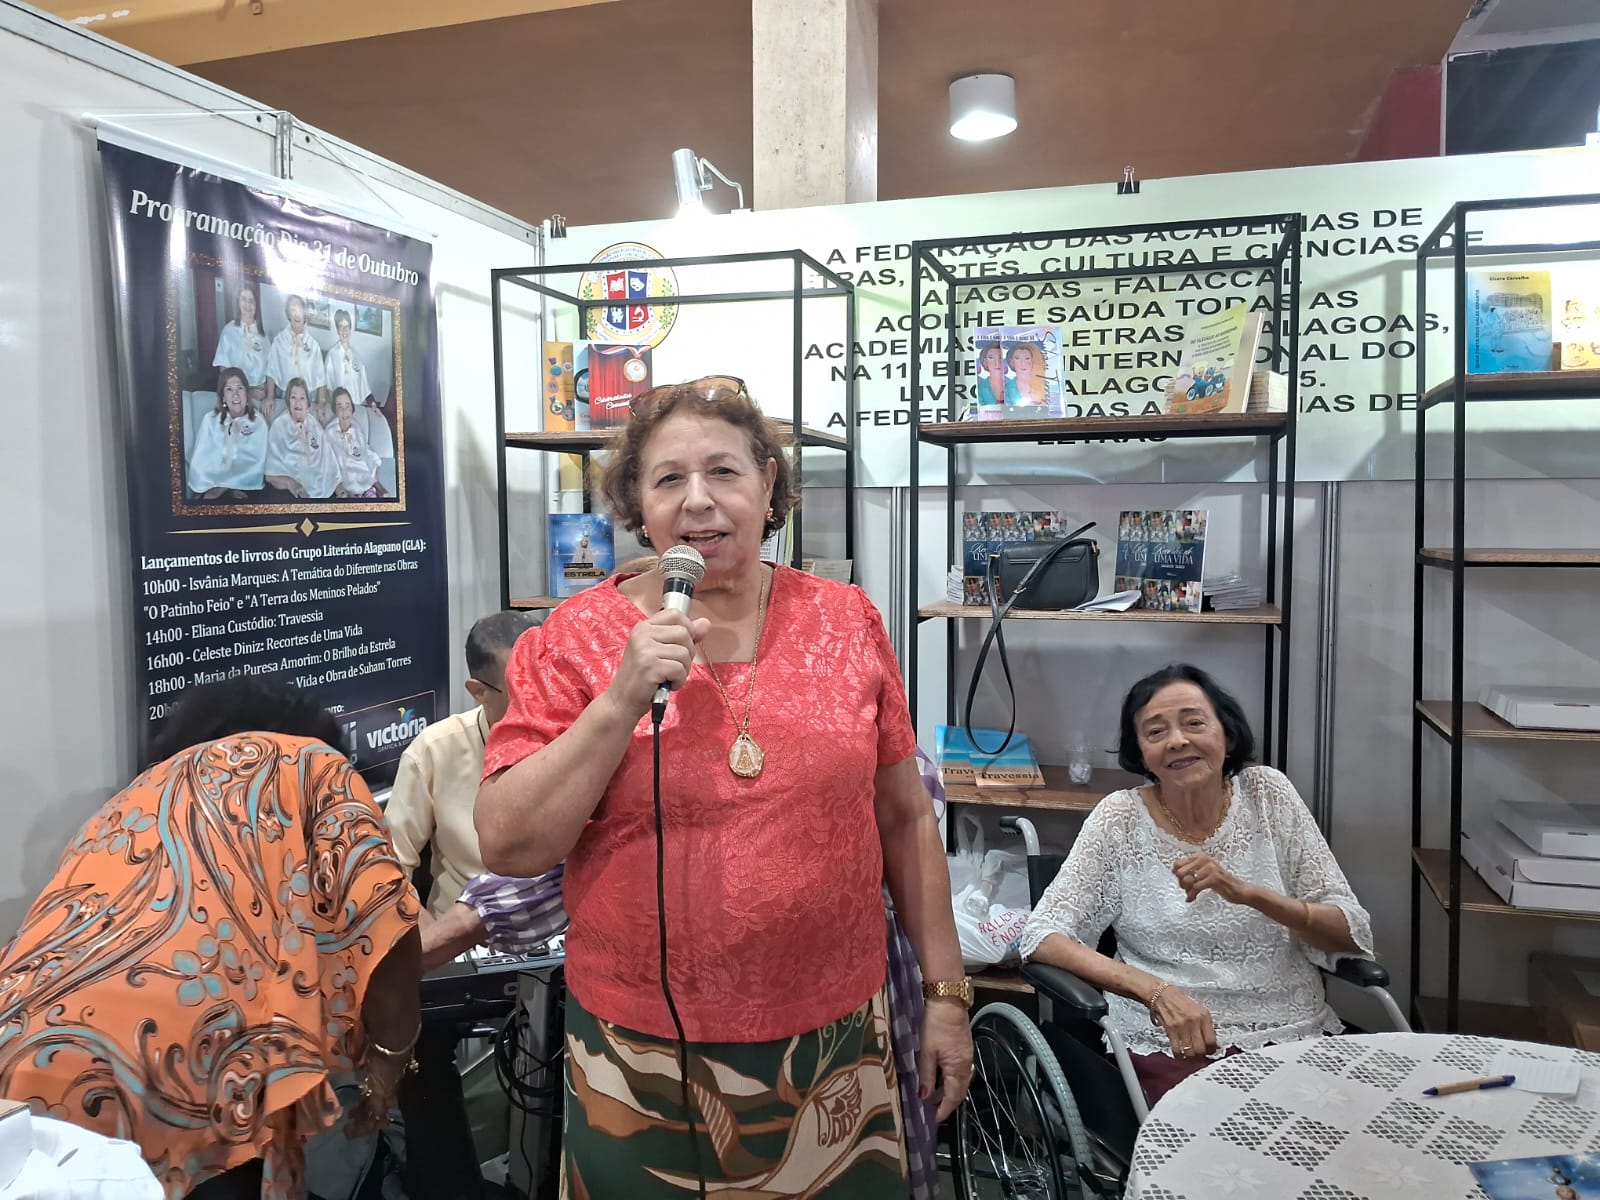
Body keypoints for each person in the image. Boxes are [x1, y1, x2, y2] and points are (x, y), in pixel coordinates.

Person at [475, 375, 973, 1197]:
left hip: (835, 1043)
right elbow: (510, 842)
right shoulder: (572, 642)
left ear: (769, 484)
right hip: (639, 1062)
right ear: (636, 503)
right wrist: (618, 703)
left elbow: (906, 815)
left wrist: (946, 996)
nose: (698, 501)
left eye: (725, 472)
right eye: (669, 479)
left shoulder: (848, 619)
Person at [0, 679, 422, 1199]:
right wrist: (386, 1067)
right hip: (175, 1059)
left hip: (19, 1052)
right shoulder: (312, 763)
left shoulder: (132, 798)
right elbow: (385, 918)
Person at [1019, 663, 1374, 1105]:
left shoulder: (1269, 795)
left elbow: (1348, 930)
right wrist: (1155, 991)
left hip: (1294, 1032)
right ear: (1141, 754)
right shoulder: (1119, 819)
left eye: (1194, 723)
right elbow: (1041, 936)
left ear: (1226, 734)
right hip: (1173, 1042)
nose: (1177, 741)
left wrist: (1249, 894)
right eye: (1155, 732)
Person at [383, 609, 541, 1200]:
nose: (547, 704)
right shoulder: (437, 749)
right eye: (525, 692)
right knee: (417, 1043)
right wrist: (426, 938)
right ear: (478, 690)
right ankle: (449, 1186)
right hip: (464, 943)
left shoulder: (587, 734)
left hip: (572, 938)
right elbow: (389, 868)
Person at [187, 366, 267, 499]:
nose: (235, 395)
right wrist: (216, 486)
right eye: (229, 389)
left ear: (247, 394)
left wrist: (227, 486)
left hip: (247, 486)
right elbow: (202, 460)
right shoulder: (210, 420)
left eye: (239, 388)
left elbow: (257, 462)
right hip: (211, 485)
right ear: (223, 397)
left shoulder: (258, 422)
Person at [265, 378, 342, 500]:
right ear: (288, 401)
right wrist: (292, 485)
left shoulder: (313, 423)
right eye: (293, 398)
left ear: (307, 403)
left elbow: (328, 458)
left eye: (302, 398)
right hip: (289, 493)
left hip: (322, 491)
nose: (297, 403)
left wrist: (339, 488)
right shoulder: (278, 425)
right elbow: (270, 474)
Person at [265, 294, 329, 424]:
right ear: (288, 314)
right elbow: (272, 371)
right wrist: (270, 397)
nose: (297, 314)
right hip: (285, 396)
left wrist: (321, 403)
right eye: (293, 310)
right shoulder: (278, 341)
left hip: (307, 398)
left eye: (300, 309)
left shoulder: (313, 345)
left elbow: (320, 377)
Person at [212, 282, 269, 409]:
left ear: (256, 305)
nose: (247, 305)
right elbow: (224, 371)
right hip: (234, 396)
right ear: (237, 303)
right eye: (243, 300)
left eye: (251, 301)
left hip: (258, 397)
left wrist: (264, 394)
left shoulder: (264, 337)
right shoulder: (228, 331)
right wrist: (244, 392)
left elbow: (269, 371)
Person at [326, 388, 386, 499]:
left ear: (352, 409)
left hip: (366, 486)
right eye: (340, 406)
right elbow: (328, 464)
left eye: (347, 406)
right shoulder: (330, 432)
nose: (344, 411)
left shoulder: (357, 428)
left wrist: (380, 488)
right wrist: (341, 491)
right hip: (344, 491)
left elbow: (366, 455)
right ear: (335, 410)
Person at [975, 340, 1016, 412]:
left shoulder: (1013, 384)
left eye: (1000, 357)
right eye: (991, 357)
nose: (997, 362)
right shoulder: (980, 387)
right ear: (985, 361)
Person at [1006, 342, 1048, 406]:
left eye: (1027, 358)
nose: (1023, 364)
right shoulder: (1007, 388)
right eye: (1017, 358)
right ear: (1011, 362)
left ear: (1033, 361)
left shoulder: (1043, 385)